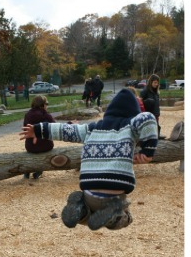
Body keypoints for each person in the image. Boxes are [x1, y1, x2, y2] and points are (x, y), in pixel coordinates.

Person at [19, 89, 158, 230]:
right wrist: (148, 151)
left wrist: (37, 130)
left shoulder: (92, 128)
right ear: (133, 113)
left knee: (89, 217)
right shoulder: (130, 125)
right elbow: (147, 118)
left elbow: (65, 130)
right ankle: (113, 217)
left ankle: (81, 210)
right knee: (124, 216)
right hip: (115, 193)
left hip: (89, 192)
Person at [22, 95, 54, 180]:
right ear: (42, 105)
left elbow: (25, 128)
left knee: (32, 150)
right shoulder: (46, 115)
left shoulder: (27, 115)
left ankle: (27, 172)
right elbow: (54, 127)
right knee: (45, 146)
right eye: (46, 103)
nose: (47, 105)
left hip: (30, 146)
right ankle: (39, 170)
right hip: (45, 146)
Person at [140, 74, 162, 138]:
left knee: (156, 129)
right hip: (148, 115)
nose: (156, 84)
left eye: (157, 83)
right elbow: (139, 103)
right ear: (151, 82)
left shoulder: (156, 92)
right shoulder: (145, 90)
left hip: (156, 114)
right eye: (155, 82)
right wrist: (147, 102)